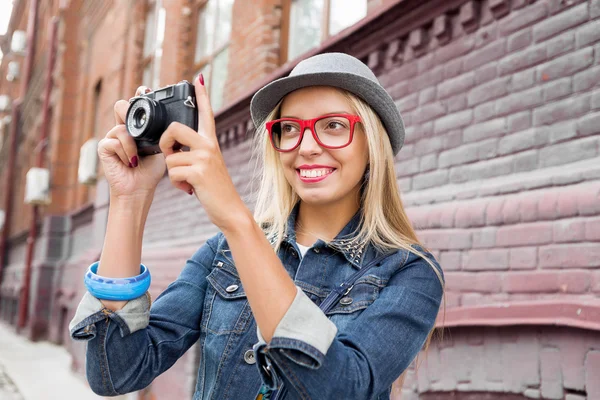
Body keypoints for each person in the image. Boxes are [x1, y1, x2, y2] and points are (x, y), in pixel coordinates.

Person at [70, 52, 444, 400]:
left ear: (372, 144)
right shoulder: (222, 252)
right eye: (290, 128)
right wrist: (128, 200)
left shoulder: (409, 271)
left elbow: (342, 387)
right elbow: (116, 372)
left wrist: (237, 221)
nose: (307, 146)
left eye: (333, 125)